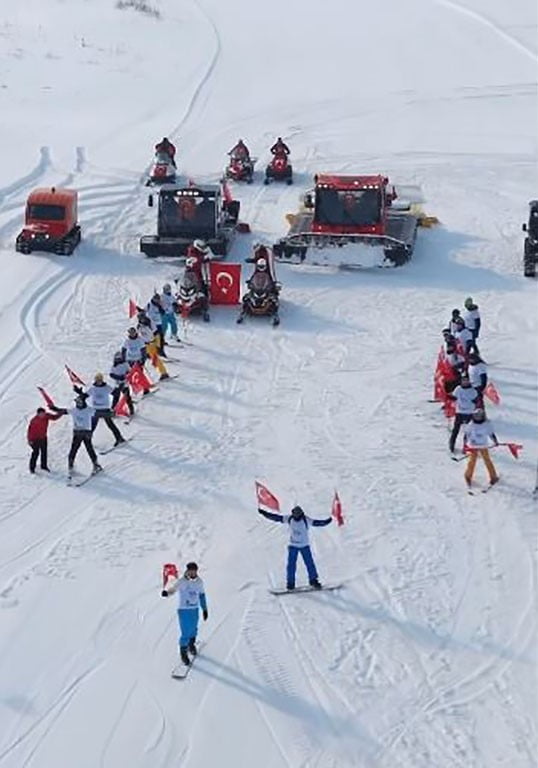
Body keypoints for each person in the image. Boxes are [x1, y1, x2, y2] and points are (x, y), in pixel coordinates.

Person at [258, 505, 332, 590]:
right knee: (291, 565)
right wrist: (264, 513)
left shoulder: (306, 519)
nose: (296, 517)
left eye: (298, 515)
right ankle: (290, 583)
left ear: (301, 514)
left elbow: (317, 523)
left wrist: (328, 521)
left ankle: (313, 580)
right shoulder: (290, 518)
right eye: (295, 515)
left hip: (304, 545)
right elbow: (276, 518)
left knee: (309, 563)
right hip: (293, 546)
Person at [161, 562, 208, 666]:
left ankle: (191, 645)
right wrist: (167, 593)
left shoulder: (199, 582)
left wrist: (204, 609)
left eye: (194, 571)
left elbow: (202, 595)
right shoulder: (182, 581)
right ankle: (183, 652)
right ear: (187, 570)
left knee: (194, 629)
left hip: (194, 609)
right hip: (184, 610)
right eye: (190, 570)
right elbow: (173, 589)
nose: (192, 572)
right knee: (186, 631)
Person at [51, 395, 102, 479]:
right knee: (74, 449)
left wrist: (110, 413)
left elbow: (100, 413)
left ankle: (96, 465)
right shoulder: (74, 410)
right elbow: (63, 411)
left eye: (80, 402)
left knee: (89, 448)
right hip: (77, 432)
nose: (78, 404)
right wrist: (54, 408)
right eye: (77, 402)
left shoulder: (89, 410)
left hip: (86, 433)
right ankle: (70, 467)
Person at [75, 373, 125, 446]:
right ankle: (88, 441)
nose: (99, 382)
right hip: (95, 410)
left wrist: (119, 389)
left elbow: (115, 394)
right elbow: (84, 396)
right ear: (95, 380)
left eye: (100, 380)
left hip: (105, 410)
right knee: (92, 426)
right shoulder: (93, 388)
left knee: (110, 425)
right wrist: (79, 392)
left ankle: (119, 438)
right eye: (97, 380)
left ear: (102, 380)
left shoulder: (107, 387)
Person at [463, 408, 499, 488]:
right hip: (474, 445)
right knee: (472, 461)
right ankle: (468, 476)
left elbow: (491, 434)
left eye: (479, 416)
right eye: (476, 416)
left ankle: (493, 476)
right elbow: (467, 434)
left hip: (483, 445)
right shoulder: (471, 424)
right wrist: (465, 444)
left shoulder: (487, 424)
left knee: (487, 460)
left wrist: (495, 441)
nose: (477, 418)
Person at [447, 374, 479, 453]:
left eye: (466, 381)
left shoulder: (473, 391)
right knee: (455, 430)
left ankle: (466, 446)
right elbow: (454, 397)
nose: (465, 382)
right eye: (463, 380)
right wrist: (448, 396)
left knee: (468, 431)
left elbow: (477, 400)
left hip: (469, 413)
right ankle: (451, 445)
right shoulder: (458, 389)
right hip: (459, 412)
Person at [27, 407, 63, 474]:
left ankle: (44, 466)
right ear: (38, 414)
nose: (42, 415)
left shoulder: (46, 416)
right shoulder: (34, 421)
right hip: (35, 439)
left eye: (43, 413)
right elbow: (30, 431)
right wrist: (30, 440)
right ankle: (32, 468)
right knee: (36, 453)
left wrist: (60, 413)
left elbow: (54, 417)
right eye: (41, 414)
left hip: (43, 438)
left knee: (44, 452)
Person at [110, 351, 134, 416]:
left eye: (119, 359)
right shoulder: (114, 366)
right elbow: (111, 374)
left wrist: (126, 375)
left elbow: (130, 371)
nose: (118, 360)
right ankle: (113, 410)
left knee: (127, 397)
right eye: (117, 359)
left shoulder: (125, 364)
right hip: (117, 385)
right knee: (116, 398)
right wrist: (119, 377)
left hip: (125, 384)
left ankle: (131, 409)